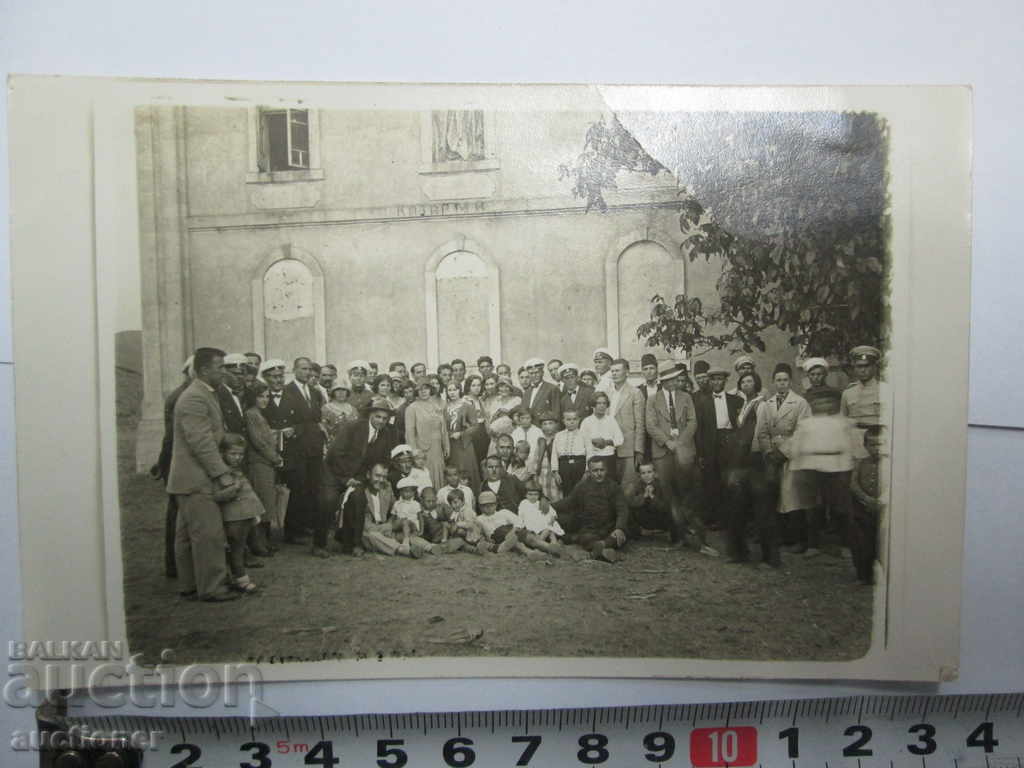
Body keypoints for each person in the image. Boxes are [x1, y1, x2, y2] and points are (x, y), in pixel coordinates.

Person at [166, 347, 239, 602]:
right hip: (196, 478)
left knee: (187, 536)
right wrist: (222, 473)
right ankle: (212, 587)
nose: (224, 371)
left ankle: (189, 585)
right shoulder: (195, 398)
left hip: (186, 479)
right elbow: (201, 443)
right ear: (204, 369)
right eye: (220, 367)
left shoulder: (201, 394)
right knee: (209, 534)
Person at [645, 362, 714, 554]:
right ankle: (677, 537)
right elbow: (650, 425)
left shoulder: (686, 397)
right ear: (665, 381)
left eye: (677, 378)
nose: (676, 381)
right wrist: (667, 442)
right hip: (663, 452)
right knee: (669, 495)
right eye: (672, 379)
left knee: (688, 493)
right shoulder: (652, 400)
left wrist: (680, 443)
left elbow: (693, 422)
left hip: (684, 452)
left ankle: (699, 539)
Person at [787, 386, 858, 559]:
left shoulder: (844, 423)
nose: (823, 405)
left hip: (838, 468)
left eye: (827, 401)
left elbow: (851, 448)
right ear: (812, 404)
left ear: (835, 403)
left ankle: (845, 544)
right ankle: (812, 544)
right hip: (810, 467)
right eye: (818, 402)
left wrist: (848, 469)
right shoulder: (806, 424)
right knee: (812, 508)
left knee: (841, 508)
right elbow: (797, 447)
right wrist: (797, 468)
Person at [323, 399, 398, 554]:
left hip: (358, 476)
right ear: (370, 414)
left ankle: (352, 544)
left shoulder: (386, 434)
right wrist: (345, 478)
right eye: (378, 417)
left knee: (359, 499)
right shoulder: (353, 427)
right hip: (335, 473)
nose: (381, 421)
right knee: (328, 501)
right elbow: (334, 455)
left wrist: (376, 476)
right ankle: (319, 544)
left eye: (385, 418)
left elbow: (383, 459)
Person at [754, 363, 813, 550]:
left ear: (790, 382)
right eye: (778, 380)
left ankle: (797, 538)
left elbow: (804, 431)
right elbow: (761, 432)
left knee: (792, 496)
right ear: (773, 382)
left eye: (785, 380)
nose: (782, 383)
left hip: (791, 455)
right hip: (772, 455)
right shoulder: (766, 405)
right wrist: (768, 452)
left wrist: (784, 452)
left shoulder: (800, 403)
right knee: (773, 495)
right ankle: (777, 536)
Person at [722, 371, 777, 566]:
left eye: (749, 381)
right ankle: (738, 552)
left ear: (756, 383)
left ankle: (770, 557)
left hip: (756, 460)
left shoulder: (762, 404)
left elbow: (762, 432)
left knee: (762, 511)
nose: (746, 384)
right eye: (742, 382)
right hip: (740, 461)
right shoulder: (743, 404)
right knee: (737, 508)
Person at [279, 357, 327, 556]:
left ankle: (305, 524)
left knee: (312, 487)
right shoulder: (287, 391)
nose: (307, 372)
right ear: (294, 370)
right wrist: (306, 428)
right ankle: (291, 531)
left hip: (314, 448)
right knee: (297, 488)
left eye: (309, 369)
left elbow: (316, 419)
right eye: (303, 368)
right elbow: (286, 423)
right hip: (297, 448)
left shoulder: (315, 393)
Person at [152, 355, 193, 579]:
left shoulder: (184, 394)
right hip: (177, 461)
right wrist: (162, 462)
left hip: (175, 459)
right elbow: (171, 437)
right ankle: (174, 565)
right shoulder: (181, 396)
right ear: (188, 372)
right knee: (178, 513)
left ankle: (178, 563)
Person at [553, 455, 629, 562]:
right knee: (585, 538)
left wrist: (619, 527)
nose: (599, 474)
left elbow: (622, 509)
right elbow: (568, 502)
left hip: (609, 526)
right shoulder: (583, 486)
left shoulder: (613, 487)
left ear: (606, 470)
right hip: (591, 527)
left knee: (621, 535)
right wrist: (550, 506)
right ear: (589, 471)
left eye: (601, 470)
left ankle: (602, 545)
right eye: (595, 471)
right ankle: (602, 549)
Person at [693, 366, 742, 530]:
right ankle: (715, 518)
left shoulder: (736, 400)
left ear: (725, 381)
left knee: (729, 480)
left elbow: (740, 426)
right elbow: (698, 430)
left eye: (719, 379)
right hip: (710, 444)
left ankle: (731, 518)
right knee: (712, 482)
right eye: (713, 379)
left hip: (729, 442)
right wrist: (701, 452)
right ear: (709, 381)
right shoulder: (702, 402)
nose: (716, 382)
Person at [216, 433, 263, 594]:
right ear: (222, 453)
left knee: (240, 548)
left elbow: (249, 495)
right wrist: (233, 489)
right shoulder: (220, 473)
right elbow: (217, 496)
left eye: (240, 454)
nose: (237, 457)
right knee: (234, 548)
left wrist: (255, 514)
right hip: (232, 518)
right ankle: (241, 579)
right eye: (233, 454)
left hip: (244, 516)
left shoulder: (238, 470)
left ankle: (236, 577)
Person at [244, 379, 284, 550]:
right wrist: (275, 458)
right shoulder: (251, 414)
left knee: (267, 503)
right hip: (260, 463)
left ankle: (265, 541)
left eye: (267, 396)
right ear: (253, 398)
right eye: (261, 396)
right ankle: (259, 544)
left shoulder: (260, 414)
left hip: (267, 463)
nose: (265, 400)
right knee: (261, 503)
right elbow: (258, 442)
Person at [339, 463, 402, 556]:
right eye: (377, 476)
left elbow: (396, 508)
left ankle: (427, 546)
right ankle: (401, 549)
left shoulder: (387, 486)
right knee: (372, 535)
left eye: (384, 477)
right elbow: (364, 525)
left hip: (383, 529)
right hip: (366, 533)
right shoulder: (358, 492)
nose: (381, 480)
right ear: (368, 475)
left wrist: (391, 522)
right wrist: (389, 527)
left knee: (406, 530)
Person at [849, 425, 885, 585]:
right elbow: (853, 484)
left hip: (884, 510)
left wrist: (882, 500)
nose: (876, 448)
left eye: (881, 444)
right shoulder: (860, 463)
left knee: (883, 544)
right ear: (865, 445)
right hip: (863, 510)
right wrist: (865, 499)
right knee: (862, 544)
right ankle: (863, 575)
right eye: (872, 444)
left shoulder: (893, 465)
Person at [474, 491, 548, 559]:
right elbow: (479, 534)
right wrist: (487, 541)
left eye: (491, 505)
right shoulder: (479, 519)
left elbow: (519, 521)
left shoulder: (503, 512)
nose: (488, 507)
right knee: (514, 541)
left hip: (511, 530)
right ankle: (529, 552)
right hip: (497, 535)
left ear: (496, 504)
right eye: (485, 506)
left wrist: (513, 531)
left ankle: (549, 547)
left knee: (529, 538)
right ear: (480, 507)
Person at [841, 345, 885, 459]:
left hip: (878, 441)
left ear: (874, 367)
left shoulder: (885, 390)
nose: (862, 370)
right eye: (859, 366)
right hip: (855, 441)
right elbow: (843, 422)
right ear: (854, 368)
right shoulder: (848, 393)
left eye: (866, 366)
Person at [405, 379, 450, 489]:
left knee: (438, 473)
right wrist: (414, 451)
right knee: (425, 475)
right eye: (420, 389)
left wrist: (446, 445)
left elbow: (443, 428)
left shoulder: (437, 406)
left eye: (426, 388)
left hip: (437, 448)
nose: (423, 391)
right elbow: (409, 432)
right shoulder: (412, 408)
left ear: (431, 390)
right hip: (422, 449)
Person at [607, 358, 645, 486]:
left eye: (617, 371)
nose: (614, 374)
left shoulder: (635, 393)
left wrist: (638, 449)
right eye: (612, 371)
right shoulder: (607, 393)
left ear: (627, 372)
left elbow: (640, 424)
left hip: (628, 447)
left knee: (628, 486)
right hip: (609, 447)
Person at [445, 381, 482, 493]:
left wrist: (461, 434)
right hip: (450, 444)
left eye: (454, 389)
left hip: (464, 445)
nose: (452, 393)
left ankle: (470, 495)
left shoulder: (467, 406)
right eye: (449, 390)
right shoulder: (445, 407)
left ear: (459, 390)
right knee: (453, 471)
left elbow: (475, 426)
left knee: (465, 470)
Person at [623, 461, 675, 540]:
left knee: (671, 509)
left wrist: (652, 496)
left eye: (649, 472)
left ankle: (664, 531)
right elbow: (631, 503)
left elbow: (665, 506)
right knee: (627, 511)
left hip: (658, 518)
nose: (646, 475)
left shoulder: (660, 485)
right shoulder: (637, 485)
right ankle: (641, 531)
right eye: (643, 473)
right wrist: (644, 496)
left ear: (654, 473)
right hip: (643, 519)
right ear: (639, 475)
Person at [579, 391, 623, 479]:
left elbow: (620, 439)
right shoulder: (586, 422)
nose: (602, 406)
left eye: (604, 403)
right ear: (593, 405)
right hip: (593, 459)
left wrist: (606, 442)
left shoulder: (611, 420)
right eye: (598, 403)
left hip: (609, 458)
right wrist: (593, 441)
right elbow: (582, 443)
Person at [518, 479, 565, 549]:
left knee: (550, 530)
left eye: (535, 494)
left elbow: (553, 512)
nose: (533, 497)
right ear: (525, 494)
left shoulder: (540, 503)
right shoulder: (524, 503)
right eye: (530, 494)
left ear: (539, 495)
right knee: (547, 529)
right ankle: (540, 544)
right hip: (532, 526)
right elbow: (520, 516)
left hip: (542, 524)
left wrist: (553, 518)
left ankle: (554, 544)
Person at [551, 408, 588, 495]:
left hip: (579, 465)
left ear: (579, 420)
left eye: (574, 419)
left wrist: (587, 471)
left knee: (580, 491)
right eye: (568, 419)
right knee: (566, 492)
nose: (572, 422)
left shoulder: (584, 434)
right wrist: (555, 472)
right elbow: (554, 454)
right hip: (564, 465)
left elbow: (590, 452)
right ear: (563, 421)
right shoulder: (559, 435)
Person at [461, 374, 490, 465]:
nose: (477, 388)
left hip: (482, 431)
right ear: (468, 387)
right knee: (475, 458)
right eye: (473, 385)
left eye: (478, 385)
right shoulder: (465, 400)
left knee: (483, 457)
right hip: (472, 432)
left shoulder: (480, 400)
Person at [520, 358, 561, 423]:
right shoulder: (527, 392)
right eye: (531, 373)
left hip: (545, 428)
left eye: (536, 372)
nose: (534, 375)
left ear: (542, 373)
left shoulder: (552, 389)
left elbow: (556, 414)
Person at [638, 353, 661, 462]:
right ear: (642, 372)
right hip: (645, 437)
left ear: (657, 369)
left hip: (661, 434)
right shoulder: (638, 391)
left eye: (652, 368)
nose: (649, 371)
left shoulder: (663, 388)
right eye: (645, 369)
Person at [321, 380, 359, 446]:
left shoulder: (353, 409)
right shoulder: (326, 408)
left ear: (347, 392)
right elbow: (323, 430)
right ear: (333, 392)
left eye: (343, 390)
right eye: (337, 390)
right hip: (332, 445)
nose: (341, 393)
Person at [391, 476, 425, 547]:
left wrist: (421, 530)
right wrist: (392, 526)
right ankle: (395, 543)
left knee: (405, 522)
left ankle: (406, 540)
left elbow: (420, 518)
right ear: (400, 492)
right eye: (406, 491)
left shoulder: (415, 504)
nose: (409, 494)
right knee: (394, 531)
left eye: (411, 491)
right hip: (400, 526)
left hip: (412, 526)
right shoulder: (397, 504)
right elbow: (393, 517)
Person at [535, 412, 562, 502]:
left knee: (557, 497)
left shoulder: (559, 438)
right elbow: (536, 458)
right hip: (542, 474)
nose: (547, 426)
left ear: (556, 424)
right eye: (544, 424)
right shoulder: (540, 440)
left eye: (550, 423)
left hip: (555, 473)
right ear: (541, 426)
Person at [510, 407, 544, 474]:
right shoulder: (515, 432)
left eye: (527, 418)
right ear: (519, 419)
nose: (525, 421)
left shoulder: (537, 431)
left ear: (531, 419)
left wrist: (539, 463)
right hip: (518, 465)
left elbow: (542, 446)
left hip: (533, 464)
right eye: (522, 418)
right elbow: (512, 449)